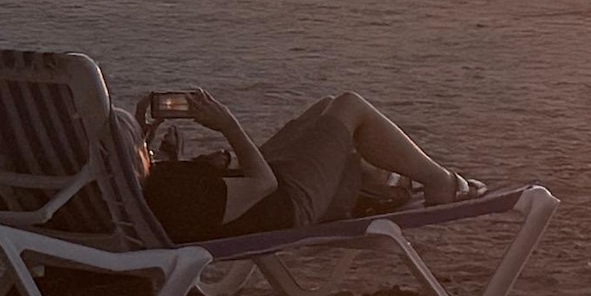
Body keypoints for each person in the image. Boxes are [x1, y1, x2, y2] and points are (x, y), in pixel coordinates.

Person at [136, 86, 473, 238]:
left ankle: (371, 184)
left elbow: (226, 186)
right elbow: (263, 185)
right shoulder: (176, 195)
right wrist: (228, 125)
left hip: (273, 187)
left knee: (325, 108)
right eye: (135, 147)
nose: (143, 149)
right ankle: (439, 181)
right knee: (348, 105)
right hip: (288, 200)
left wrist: (151, 141)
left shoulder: (152, 188)